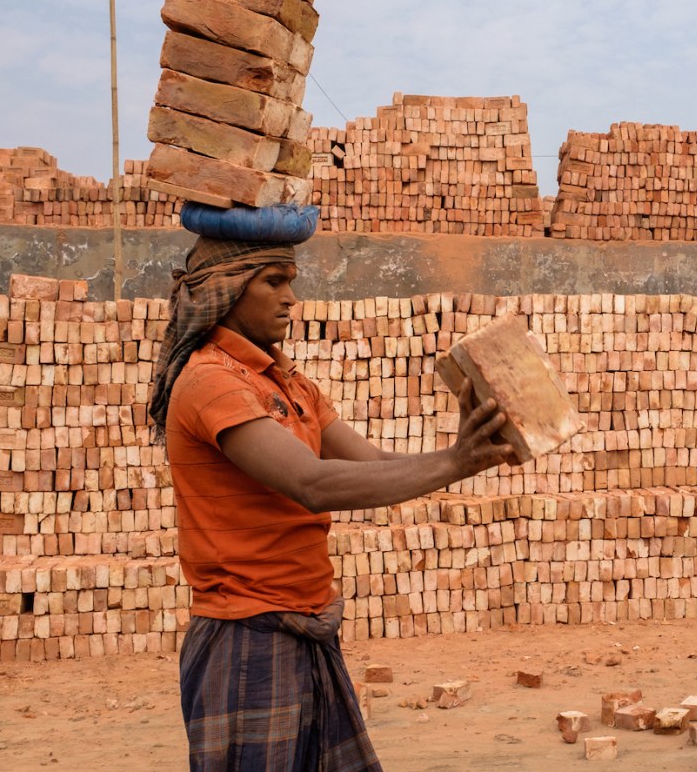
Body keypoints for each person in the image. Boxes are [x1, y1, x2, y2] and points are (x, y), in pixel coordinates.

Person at [148, 236, 518, 771]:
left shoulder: (287, 382)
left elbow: (368, 463)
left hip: (309, 624)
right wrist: (455, 463)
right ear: (226, 292)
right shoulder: (211, 382)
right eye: (273, 281)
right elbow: (312, 484)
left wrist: (464, 453)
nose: (290, 297)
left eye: (291, 281)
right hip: (247, 636)